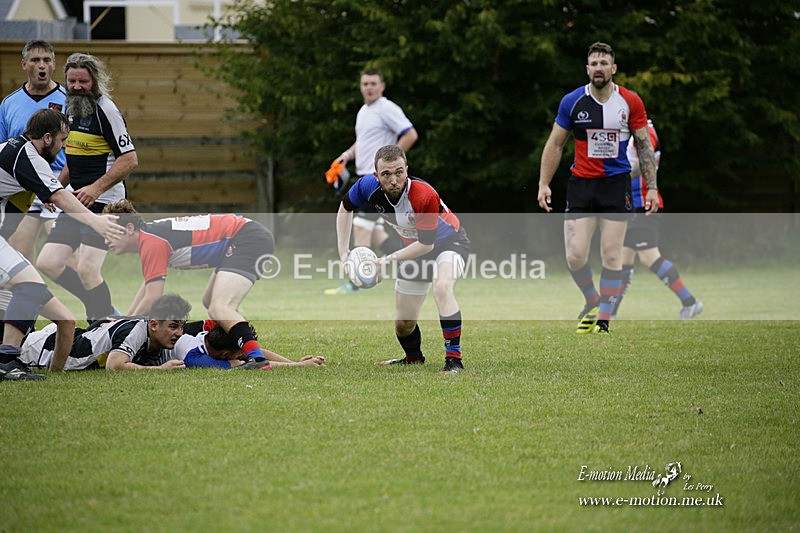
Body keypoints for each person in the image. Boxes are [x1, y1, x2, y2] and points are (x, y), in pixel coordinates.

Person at [537, 42, 659, 335]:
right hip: (581, 185)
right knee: (575, 255)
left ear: (613, 68)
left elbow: (644, 145)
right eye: (594, 63)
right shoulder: (572, 101)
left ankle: (603, 319)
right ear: (587, 69)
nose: (599, 68)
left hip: (616, 185)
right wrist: (543, 183)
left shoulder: (630, 101)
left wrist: (652, 187)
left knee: (611, 253)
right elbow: (555, 143)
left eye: (604, 63)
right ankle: (592, 298)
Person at [0, 108, 123, 380]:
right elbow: (60, 196)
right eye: (62, 140)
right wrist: (97, 222)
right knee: (30, 286)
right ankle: (6, 362)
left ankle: (10, 357)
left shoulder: (15, 149)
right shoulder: (29, 156)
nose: (64, 146)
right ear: (47, 138)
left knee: (16, 302)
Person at [336, 145, 468, 374]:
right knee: (403, 324)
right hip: (412, 250)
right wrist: (344, 255)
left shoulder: (423, 194)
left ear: (407, 170)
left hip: (449, 244)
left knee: (442, 287)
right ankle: (413, 358)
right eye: (386, 174)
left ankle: (454, 360)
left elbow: (427, 244)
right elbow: (345, 208)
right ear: (376, 176)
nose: (394, 180)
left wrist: (385, 261)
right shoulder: (367, 187)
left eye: (399, 172)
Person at [102, 199, 274, 366]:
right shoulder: (150, 237)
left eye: (109, 233)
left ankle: (257, 358)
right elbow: (148, 289)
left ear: (129, 229)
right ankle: (243, 347)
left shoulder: (151, 243)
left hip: (246, 237)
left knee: (219, 307)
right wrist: (124, 320)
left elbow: (152, 298)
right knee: (210, 302)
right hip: (245, 235)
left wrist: (125, 325)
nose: (106, 240)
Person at [36, 52, 138, 324]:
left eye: (84, 81)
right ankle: (104, 310)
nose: (78, 87)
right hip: (76, 202)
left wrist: (95, 188)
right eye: (72, 81)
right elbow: (74, 158)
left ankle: (102, 326)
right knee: (49, 262)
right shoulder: (69, 108)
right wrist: (55, 189)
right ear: (65, 81)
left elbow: (130, 159)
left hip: (106, 203)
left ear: (95, 81)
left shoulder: (106, 110)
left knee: (87, 269)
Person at [325, 67, 416, 295]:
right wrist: (345, 156)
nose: (369, 87)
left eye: (373, 83)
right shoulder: (364, 111)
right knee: (378, 234)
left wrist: (390, 168)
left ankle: (357, 283)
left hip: (378, 180)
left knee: (361, 227)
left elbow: (410, 134)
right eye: (365, 83)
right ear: (360, 86)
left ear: (382, 86)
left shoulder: (386, 108)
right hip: (364, 177)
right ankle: (413, 265)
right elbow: (363, 143)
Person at [612, 119, 703, 320]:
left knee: (649, 257)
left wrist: (615, 171)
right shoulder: (626, 130)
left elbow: (646, 162)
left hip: (643, 203)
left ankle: (690, 303)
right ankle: (611, 313)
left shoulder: (643, 130)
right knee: (622, 260)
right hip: (629, 205)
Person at [0, 40, 68, 262]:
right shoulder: (9, 104)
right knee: (19, 255)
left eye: (47, 60)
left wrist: (59, 187)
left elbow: (75, 150)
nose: (42, 66)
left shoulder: (68, 101)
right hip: (23, 185)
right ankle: (32, 296)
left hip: (58, 181)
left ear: (54, 65)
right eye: (35, 60)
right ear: (24, 64)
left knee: (65, 258)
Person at [18, 294, 191, 370]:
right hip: (40, 349)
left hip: (62, 337)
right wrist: (160, 370)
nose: (179, 333)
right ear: (153, 324)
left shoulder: (154, 337)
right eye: (173, 326)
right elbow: (115, 366)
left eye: (182, 326)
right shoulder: (137, 328)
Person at [176, 320, 326, 369]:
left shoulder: (207, 339)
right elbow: (251, 365)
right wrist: (298, 367)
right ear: (226, 355)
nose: (245, 353)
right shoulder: (193, 354)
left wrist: (294, 363)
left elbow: (257, 354)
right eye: (241, 351)